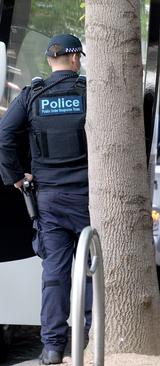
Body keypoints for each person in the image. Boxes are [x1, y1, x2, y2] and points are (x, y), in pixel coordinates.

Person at [0, 34, 90, 365]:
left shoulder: (31, 96)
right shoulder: (88, 93)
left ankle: (52, 348)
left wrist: (15, 178)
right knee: (92, 268)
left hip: (48, 199)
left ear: (51, 61)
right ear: (76, 59)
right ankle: (90, 340)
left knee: (54, 272)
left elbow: (4, 136)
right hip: (87, 197)